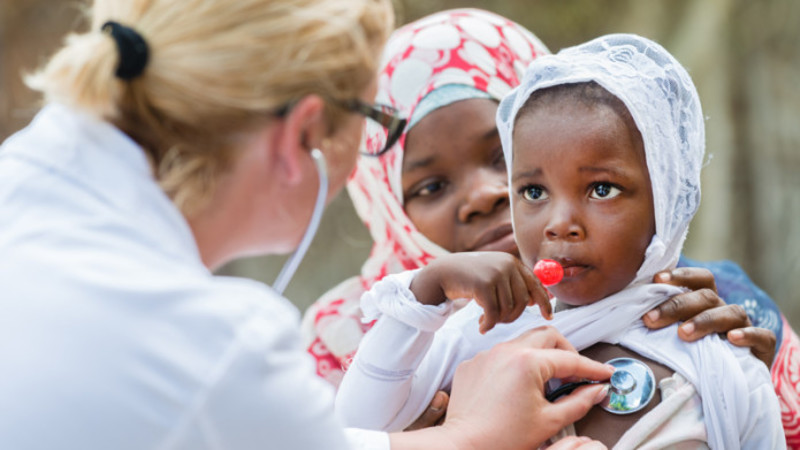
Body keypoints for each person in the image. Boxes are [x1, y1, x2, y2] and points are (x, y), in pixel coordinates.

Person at [0, 1, 616, 449]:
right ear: (305, 133)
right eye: (376, 113)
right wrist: (474, 435)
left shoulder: (24, 180)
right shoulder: (214, 343)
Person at [303, 9, 798, 436]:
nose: (483, 195)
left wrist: (758, 382)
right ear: (388, 208)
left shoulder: (706, 305)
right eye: (430, 186)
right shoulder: (353, 340)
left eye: (500, 156)